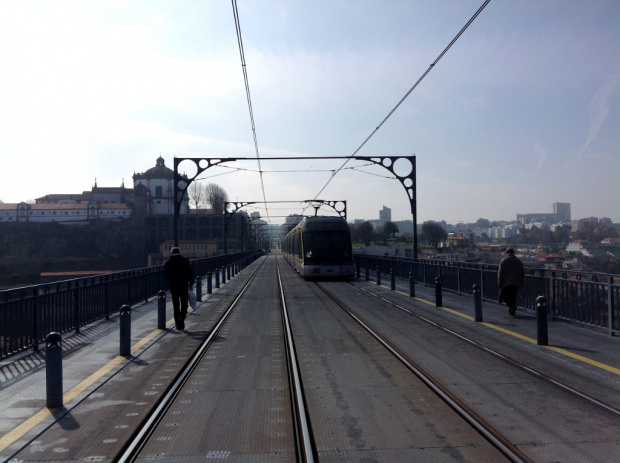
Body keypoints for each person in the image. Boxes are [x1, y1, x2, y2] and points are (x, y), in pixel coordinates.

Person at [163, 247, 194, 329]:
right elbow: (190, 272)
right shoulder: (185, 261)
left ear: (171, 253)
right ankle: (181, 319)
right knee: (184, 304)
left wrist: (172, 279)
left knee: (176, 305)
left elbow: (166, 277)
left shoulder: (168, 262)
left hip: (174, 286)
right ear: (179, 252)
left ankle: (177, 323)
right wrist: (191, 283)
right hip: (184, 285)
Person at [498, 247, 525, 316]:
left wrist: (500, 283)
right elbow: (522, 273)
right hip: (516, 283)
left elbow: (500, 273)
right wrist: (521, 282)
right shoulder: (519, 261)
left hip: (506, 283)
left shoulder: (503, 260)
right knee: (513, 297)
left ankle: (512, 306)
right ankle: (512, 310)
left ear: (507, 253)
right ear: (513, 253)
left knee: (505, 297)